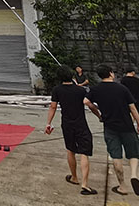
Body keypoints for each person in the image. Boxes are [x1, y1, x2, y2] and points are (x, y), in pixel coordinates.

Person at [89, 64, 139, 197]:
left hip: (110, 127)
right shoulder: (122, 88)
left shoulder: (96, 89)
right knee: (133, 153)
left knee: (116, 156)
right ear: (111, 73)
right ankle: (133, 175)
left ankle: (122, 186)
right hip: (127, 126)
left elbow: (86, 102)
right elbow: (132, 108)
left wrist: (98, 114)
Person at [45, 66, 102, 196]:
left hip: (67, 123)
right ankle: (85, 184)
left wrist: (48, 123)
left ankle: (74, 177)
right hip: (81, 123)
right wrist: (99, 116)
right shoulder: (80, 90)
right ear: (72, 76)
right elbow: (90, 105)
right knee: (84, 152)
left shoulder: (57, 90)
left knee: (70, 150)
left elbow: (53, 107)